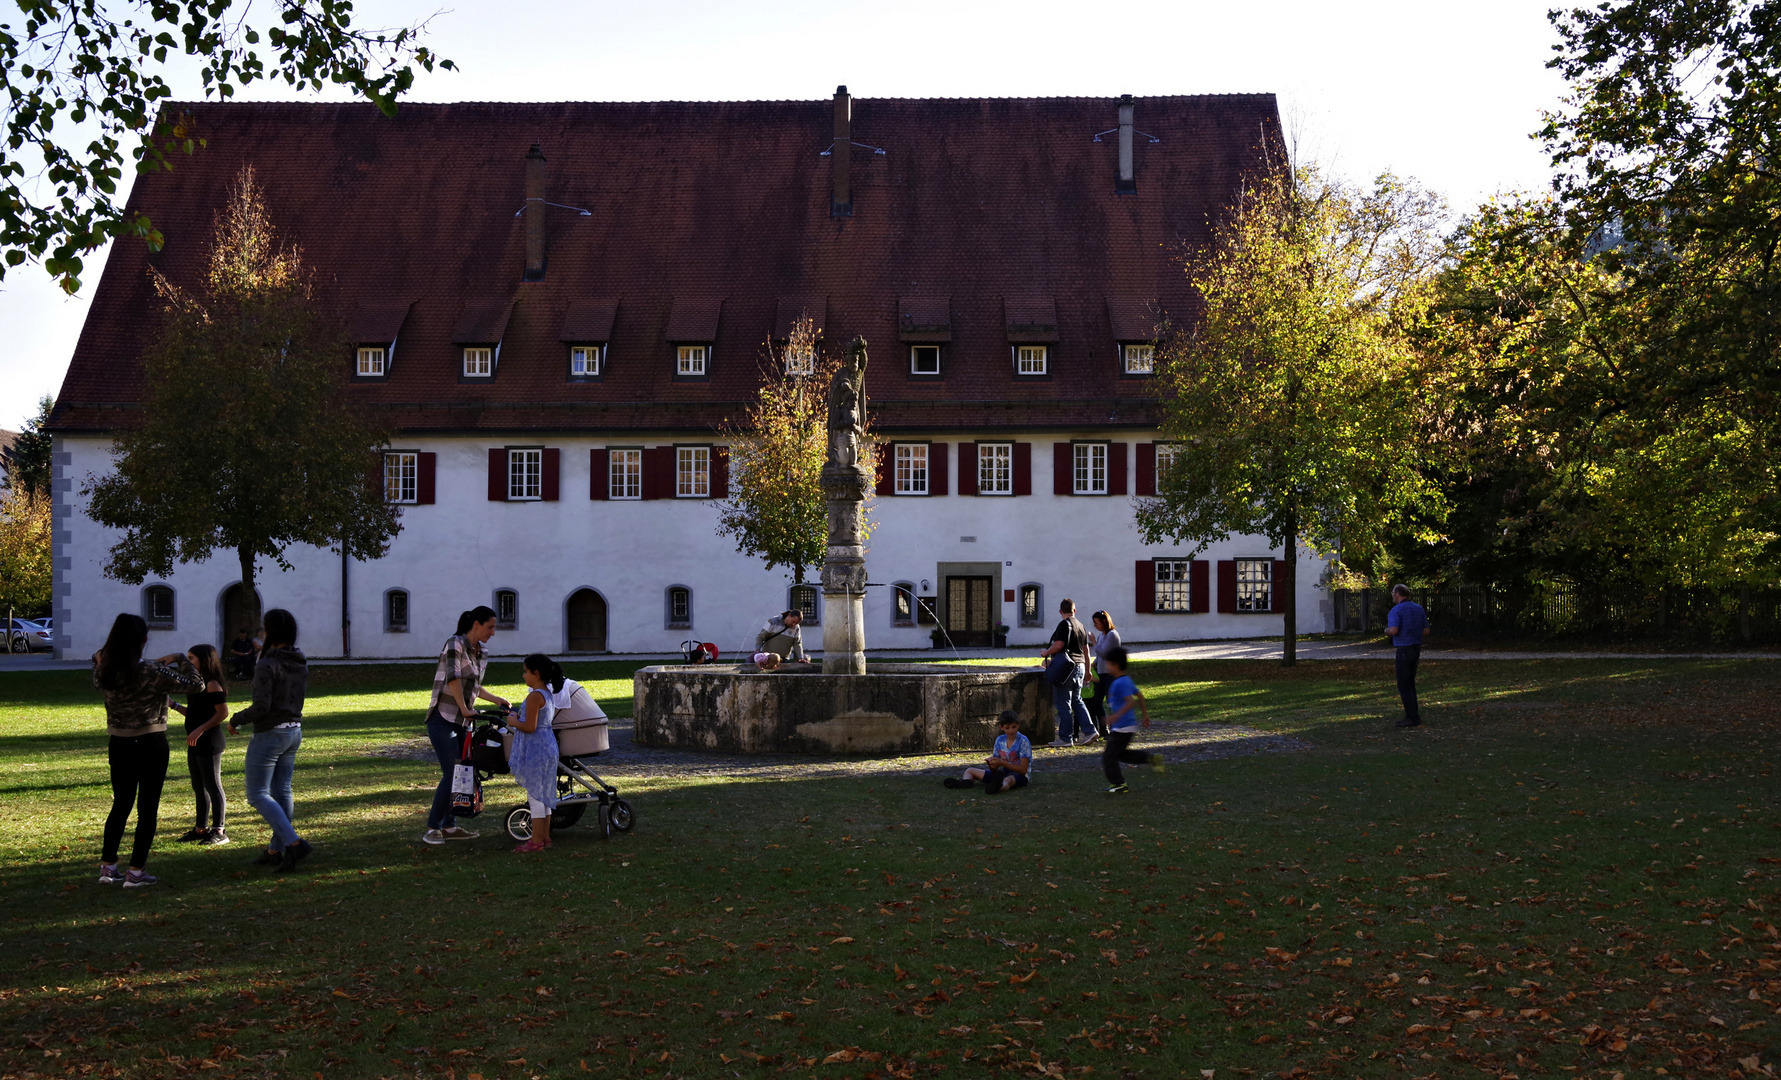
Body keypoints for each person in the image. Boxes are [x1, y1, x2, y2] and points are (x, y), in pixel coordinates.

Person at [91, 614, 204, 887]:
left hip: (118, 742)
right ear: (142, 640)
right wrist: (181, 658)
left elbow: (99, 662)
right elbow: (196, 685)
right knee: (147, 807)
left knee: (121, 804)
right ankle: (136, 871)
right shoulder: (151, 672)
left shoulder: (104, 671)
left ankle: (108, 867)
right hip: (151, 742)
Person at [230, 608, 312, 872]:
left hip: (271, 734)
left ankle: (294, 844)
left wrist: (235, 719)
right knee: (282, 791)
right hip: (293, 731)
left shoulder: (267, 664)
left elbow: (261, 707)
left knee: (257, 794)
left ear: (270, 631)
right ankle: (276, 850)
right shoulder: (299, 659)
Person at [423, 607, 510, 845]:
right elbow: (453, 679)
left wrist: (496, 700)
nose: (493, 632)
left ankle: (450, 826)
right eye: (490, 627)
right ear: (476, 625)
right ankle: (433, 828)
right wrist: (463, 708)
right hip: (443, 717)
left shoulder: (481, 651)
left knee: (462, 772)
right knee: (452, 772)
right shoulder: (455, 644)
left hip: (463, 719)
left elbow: (473, 686)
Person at [168, 644, 230, 846]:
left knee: (212, 785)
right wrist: (174, 705)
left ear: (204, 660)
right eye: (186, 658)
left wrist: (200, 729)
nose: (188, 662)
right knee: (198, 786)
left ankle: (219, 831)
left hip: (209, 742)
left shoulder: (212, 684)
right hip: (194, 740)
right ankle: (200, 828)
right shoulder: (196, 684)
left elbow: (222, 713)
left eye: (192, 658)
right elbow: (194, 712)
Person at [507, 654, 563, 853]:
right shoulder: (547, 694)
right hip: (548, 746)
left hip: (537, 749)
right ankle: (545, 837)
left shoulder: (534, 696)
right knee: (545, 794)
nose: (523, 676)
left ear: (536, 673)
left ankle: (536, 841)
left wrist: (513, 721)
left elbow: (529, 727)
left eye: (525, 671)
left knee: (535, 796)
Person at [1098, 647, 1163, 794]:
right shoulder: (1125, 680)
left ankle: (1119, 783)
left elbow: (1130, 702)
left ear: (1115, 665)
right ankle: (1152, 759)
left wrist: (1115, 716)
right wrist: (1145, 716)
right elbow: (1140, 696)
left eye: (1108, 664)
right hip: (1125, 727)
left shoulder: (1120, 683)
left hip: (1123, 727)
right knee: (1121, 754)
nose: (1107, 667)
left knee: (1108, 757)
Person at [1038, 599, 1094, 746]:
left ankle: (1065, 738)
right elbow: (1087, 651)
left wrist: (1046, 652)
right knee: (1077, 701)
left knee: (1064, 704)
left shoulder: (1064, 624)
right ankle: (1090, 731)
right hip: (1080, 666)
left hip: (1066, 668)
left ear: (1060, 611)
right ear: (1074, 610)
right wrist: (1088, 670)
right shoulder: (1081, 625)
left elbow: (1059, 645)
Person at [943, 710, 1032, 793]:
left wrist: (1002, 763)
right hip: (1002, 773)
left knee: (1007, 780)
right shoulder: (1000, 740)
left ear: (1018, 725)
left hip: (1019, 775)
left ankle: (999, 787)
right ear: (1001, 727)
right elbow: (995, 768)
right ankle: (966, 782)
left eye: (1014, 727)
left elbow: (1023, 770)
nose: (1011, 730)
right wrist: (991, 764)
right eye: (1007, 728)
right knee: (969, 770)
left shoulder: (1023, 741)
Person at [1385, 584, 1429, 728]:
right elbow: (1426, 631)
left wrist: (1387, 631)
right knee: (1411, 682)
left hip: (1403, 649)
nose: (1392, 595)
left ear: (1398, 594)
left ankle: (1412, 717)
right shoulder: (1418, 608)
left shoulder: (1396, 610)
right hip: (1415, 648)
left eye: (1393, 593)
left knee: (1404, 684)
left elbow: (1394, 629)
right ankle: (1413, 714)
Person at [1083, 610, 1122, 742]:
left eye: (1096, 622)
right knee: (1096, 701)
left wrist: (1093, 641)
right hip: (1101, 673)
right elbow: (1100, 656)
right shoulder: (1102, 635)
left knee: (1111, 702)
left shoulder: (1112, 635)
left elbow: (1104, 653)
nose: (1095, 625)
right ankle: (1103, 728)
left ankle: (1114, 730)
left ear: (1104, 622)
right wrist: (1092, 664)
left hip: (1110, 674)